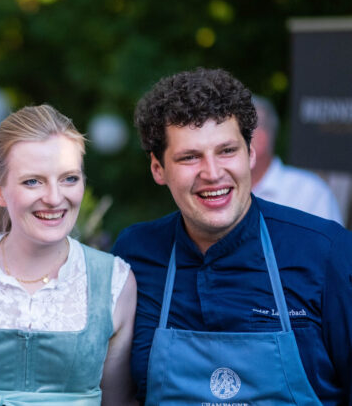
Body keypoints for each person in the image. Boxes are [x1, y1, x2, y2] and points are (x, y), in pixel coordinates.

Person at [112, 68, 352, 404]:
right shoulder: (135, 254)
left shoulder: (326, 253)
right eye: (190, 157)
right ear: (157, 168)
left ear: (250, 153)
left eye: (226, 151)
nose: (212, 173)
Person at [0, 105, 137, 404]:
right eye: (32, 181)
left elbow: (116, 401)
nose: (54, 198)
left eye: (69, 179)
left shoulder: (115, 281)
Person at [250, 94, 343, 224]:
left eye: (229, 144)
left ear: (260, 140)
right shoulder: (222, 188)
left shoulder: (310, 193)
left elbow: (331, 244)